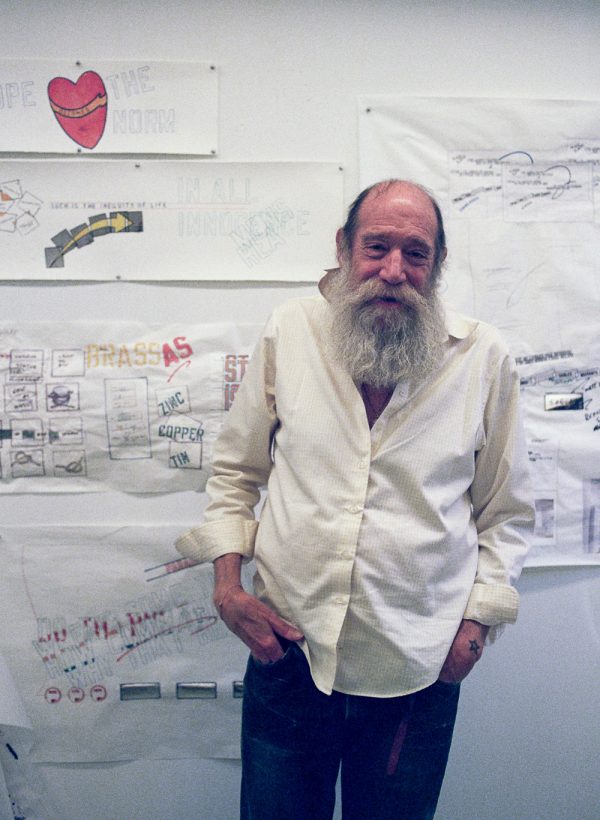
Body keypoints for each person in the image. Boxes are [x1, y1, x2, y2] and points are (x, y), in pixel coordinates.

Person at [175, 179, 534, 820]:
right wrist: (227, 588)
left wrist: (474, 631)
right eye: (376, 247)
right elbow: (235, 471)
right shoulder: (291, 332)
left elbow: (505, 513)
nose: (394, 270)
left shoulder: (482, 358)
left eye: (415, 253)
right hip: (288, 654)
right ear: (344, 248)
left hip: (417, 665)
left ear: (437, 265)